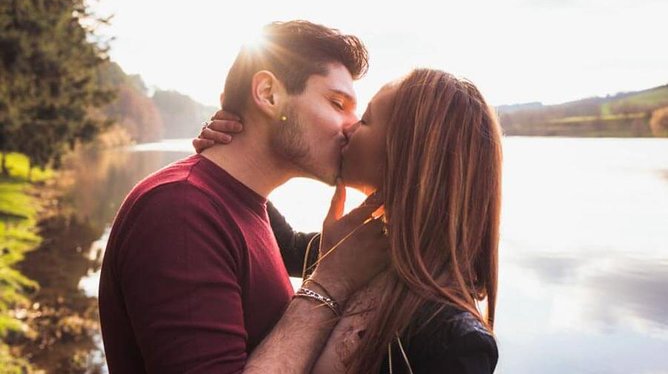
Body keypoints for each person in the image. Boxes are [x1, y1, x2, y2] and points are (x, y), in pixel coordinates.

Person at [98, 20, 389, 373]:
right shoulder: (180, 212)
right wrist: (331, 284)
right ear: (268, 94)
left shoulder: (240, 204)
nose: (351, 126)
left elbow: (300, 249)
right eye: (337, 102)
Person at [200, 68, 502, 373]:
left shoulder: (455, 342)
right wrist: (236, 152)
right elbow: (287, 245)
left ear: (404, 153)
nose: (348, 128)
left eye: (366, 119)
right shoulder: (362, 250)